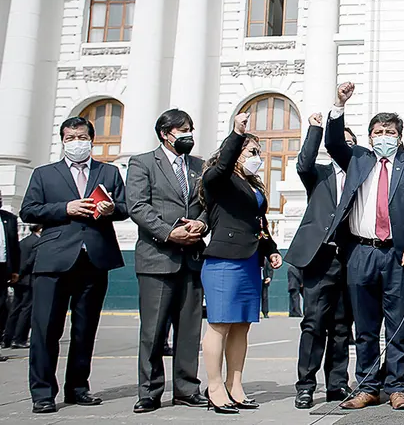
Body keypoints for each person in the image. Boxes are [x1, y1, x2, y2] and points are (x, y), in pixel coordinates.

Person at [324, 82, 404, 411]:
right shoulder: (357, 159)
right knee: (366, 326)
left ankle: (397, 385)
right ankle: (367, 386)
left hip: (399, 255)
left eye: (388, 131)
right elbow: (332, 142)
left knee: (398, 325)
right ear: (369, 136)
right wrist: (338, 104)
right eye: (376, 131)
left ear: (398, 136)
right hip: (361, 252)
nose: (382, 136)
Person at [20, 116, 129, 414]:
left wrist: (111, 208)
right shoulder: (45, 174)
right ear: (63, 141)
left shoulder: (108, 172)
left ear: (91, 140)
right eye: (70, 138)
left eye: (81, 137)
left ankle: (78, 387)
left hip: (94, 258)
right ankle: (42, 393)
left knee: (85, 329)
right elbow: (28, 210)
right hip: (54, 260)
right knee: (45, 330)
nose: (76, 142)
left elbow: (124, 207)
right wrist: (64, 208)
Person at [198, 112, 282, 414]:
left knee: (242, 327)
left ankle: (235, 385)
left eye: (259, 152)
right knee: (219, 325)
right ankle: (215, 386)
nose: (257, 157)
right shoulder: (219, 180)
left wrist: (270, 248)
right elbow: (220, 167)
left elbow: (258, 222)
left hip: (249, 261)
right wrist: (236, 134)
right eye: (251, 152)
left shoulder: (253, 185)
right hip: (224, 261)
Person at [126, 108, 209, 413]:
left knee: (189, 330)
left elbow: (206, 204)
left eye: (191, 129)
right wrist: (169, 233)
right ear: (165, 133)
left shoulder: (198, 166)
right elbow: (136, 205)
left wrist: (201, 224)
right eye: (182, 130)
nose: (188, 135)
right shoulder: (143, 163)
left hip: (192, 258)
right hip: (157, 258)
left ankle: (187, 388)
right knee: (153, 330)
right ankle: (149, 391)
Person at [285, 112, 353, 410]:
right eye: (342, 142)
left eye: (351, 144)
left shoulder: (361, 178)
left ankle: (337, 384)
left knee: (341, 326)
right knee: (313, 324)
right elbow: (303, 163)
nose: (345, 147)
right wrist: (315, 129)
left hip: (350, 259)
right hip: (319, 260)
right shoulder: (319, 174)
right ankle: (306, 385)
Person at [5, 225, 40, 349]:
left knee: (15, 309)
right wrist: (21, 273)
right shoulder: (37, 242)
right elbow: (30, 261)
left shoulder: (24, 241)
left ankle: (7, 338)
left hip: (19, 280)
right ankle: (19, 338)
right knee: (26, 310)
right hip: (28, 280)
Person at [0, 196, 20, 362]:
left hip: (2, 269)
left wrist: (15, 270)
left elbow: (14, 246)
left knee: (2, 308)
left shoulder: (9, 219)